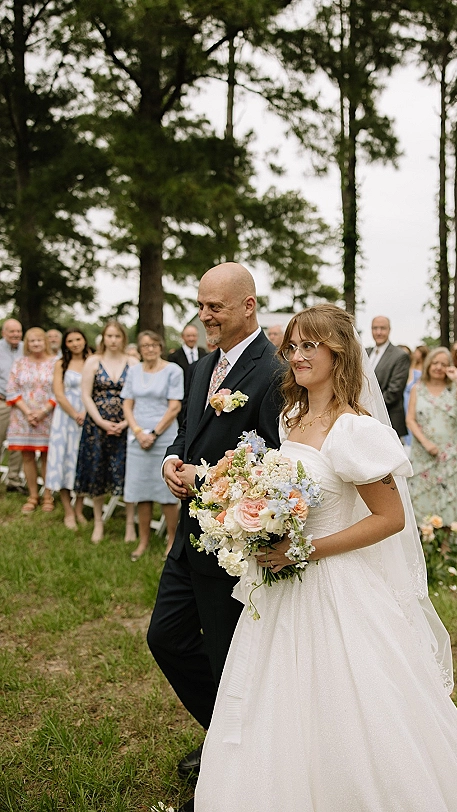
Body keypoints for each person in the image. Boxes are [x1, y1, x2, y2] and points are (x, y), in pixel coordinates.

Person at [194, 304, 457, 812]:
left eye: (311, 345)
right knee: (279, 695)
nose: (298, 355)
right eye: (293, 346)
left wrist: (304, 549)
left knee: (357, 701)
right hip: (282, 583)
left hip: (333, 581)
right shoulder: (292, 417)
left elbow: (390, 518)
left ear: (339, 353)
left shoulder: (355, 430)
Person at [146, 263, 282, 804]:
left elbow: (276, 458)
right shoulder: (202, 367)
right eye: (200, 305)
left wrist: (215, 483)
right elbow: (188, 434)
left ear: (248, 306)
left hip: (234, 544)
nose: (204, 316)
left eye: (215, 307)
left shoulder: (274, 372)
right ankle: (227, 735)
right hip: (190, 538)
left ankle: (236, 762)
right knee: (166, 638)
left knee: (231, 659)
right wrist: (175, 462)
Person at [121, 330, 184, 561]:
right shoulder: (133, 371)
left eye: (154, 345)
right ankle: (143, 540)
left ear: (160, 346)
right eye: (145, 345)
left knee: (166, 492)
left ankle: (171, 540)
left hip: (164, 437)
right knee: (141, 490)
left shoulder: (172, 371)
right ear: (139, 349)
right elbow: (127, 405)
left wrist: (155, 433)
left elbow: (174, 407)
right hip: (137, 438)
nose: (149, 349)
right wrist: (138, 432)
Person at [75, 320, 138, 543]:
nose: (113, 340)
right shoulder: (93, 361)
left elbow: (139, 395)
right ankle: (99, 523)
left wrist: (127, 423)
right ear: (103, 338)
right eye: (109, 336)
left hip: (126, 424)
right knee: (97, 472)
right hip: (97, 426)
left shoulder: (133, 362)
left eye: (117, 336)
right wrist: (101, 421)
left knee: (127, 473)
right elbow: (85, 395)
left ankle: (130, 524)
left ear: (123, 338)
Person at [406, 347, 457, 526]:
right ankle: (426, 542)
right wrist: (426, 443)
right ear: (428, 364)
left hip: (450, 453)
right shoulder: (417, 388)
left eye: (443, 364)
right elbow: (411, 420)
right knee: (422, 496)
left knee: (449, 497)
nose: (438, 367)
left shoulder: (455, 388)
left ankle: (445, 547)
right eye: (435, 363)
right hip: (424, 452)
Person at [6, 328, 58, 513]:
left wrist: (42, 411)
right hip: (23, 417)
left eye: (39, 340)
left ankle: (48, 496)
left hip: (47, 416)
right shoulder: (20, 363)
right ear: (27, 344)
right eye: (32, 341)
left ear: (45, 342)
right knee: (27, 456)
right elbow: (12, 389)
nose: (36, 344)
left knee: (46, 457)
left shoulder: (55, 363)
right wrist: (28, 412)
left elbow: (59, 389)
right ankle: (33, 495)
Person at [45, 329, 92, 529]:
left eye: (78, 339)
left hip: (89, 415)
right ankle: (68, 510)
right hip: (66, 418)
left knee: (81, 461)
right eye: (70, 341)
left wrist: (87, 414)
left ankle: (79, 507)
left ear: (84, 340)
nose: (74, 343)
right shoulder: (60, 364)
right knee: (64, 461)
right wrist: (75, 414)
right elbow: (59, 393)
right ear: (66, 344)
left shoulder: (92, 360)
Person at [366, 315, 410, 438]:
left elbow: (394, 391)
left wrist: (368, 408)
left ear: (389, 330)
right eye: (375, 328)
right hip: (366, 422)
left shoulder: (400, 356)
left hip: (389, 420)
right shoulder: (366, 352)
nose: (378, 332)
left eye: (382, 328)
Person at [0, 318, 24, 492]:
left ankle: (14, 481)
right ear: (4, 333)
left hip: (22, 405)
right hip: (2, 402)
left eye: (18, 331)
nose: (16, 334)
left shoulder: (26, 348)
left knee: (18, 444)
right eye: (12, 331)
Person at [403, 344, 428, 446]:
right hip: (406, 396)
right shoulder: (411, 364)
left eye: (417, 352)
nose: (415, 354)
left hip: (417, 396)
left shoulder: (426, 367)